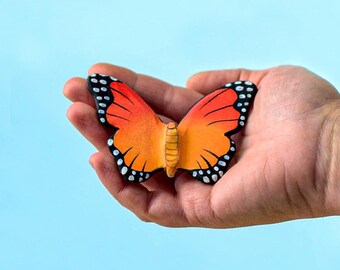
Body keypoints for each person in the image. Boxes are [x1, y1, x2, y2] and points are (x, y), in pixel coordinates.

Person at [63, 63, 340, 228]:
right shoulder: (199, 118)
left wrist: (327, 145)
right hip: (202, 157)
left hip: (141, 155)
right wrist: (324, 155)